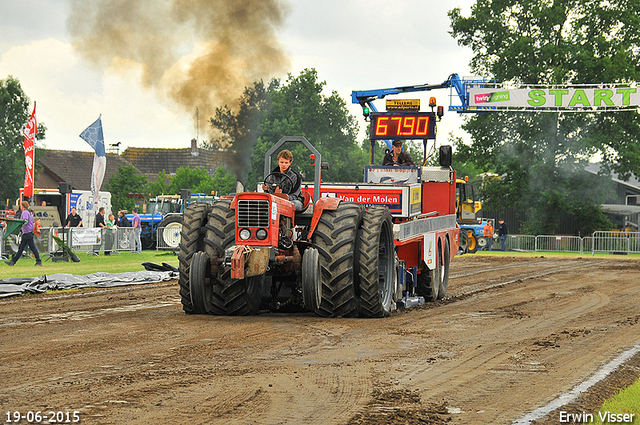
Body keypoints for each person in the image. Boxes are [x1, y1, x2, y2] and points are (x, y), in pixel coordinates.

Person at [4, 201, 42, 267]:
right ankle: (13, 261)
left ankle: (39, 261)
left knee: (31, 248)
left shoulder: (25, 212)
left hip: (27, 233)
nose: (20, 207)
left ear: (23, 206)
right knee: (21, 248)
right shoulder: (29, 212)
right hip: (27, 233)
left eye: (21, 206)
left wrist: (19, 226)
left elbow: (24, 221)